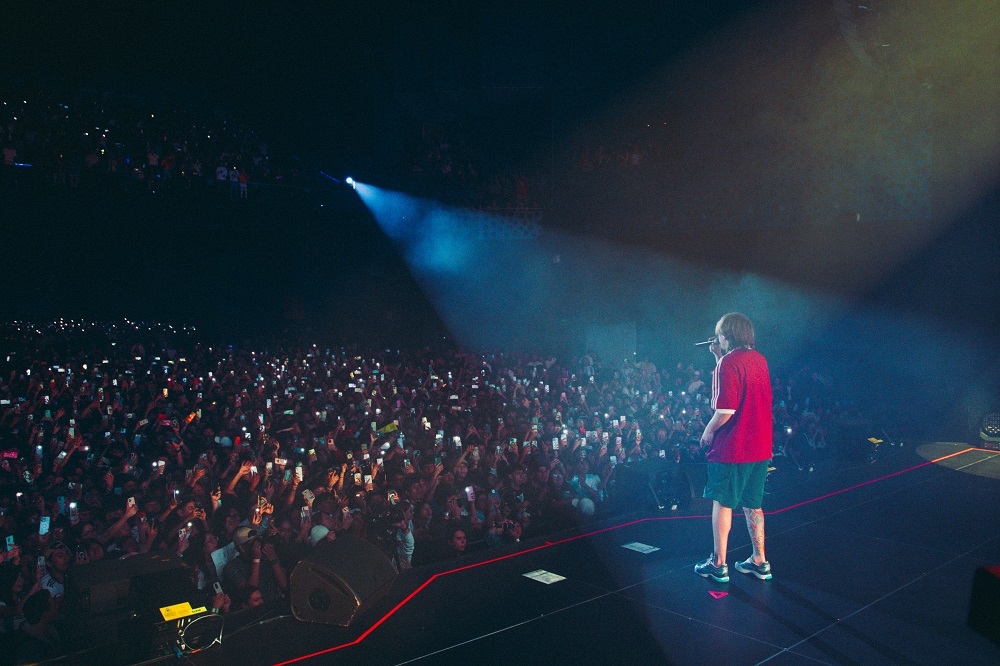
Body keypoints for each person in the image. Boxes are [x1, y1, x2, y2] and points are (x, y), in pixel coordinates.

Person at [694, 313, 773, 583]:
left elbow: (726, 409)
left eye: (719, 335)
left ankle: (718, 564)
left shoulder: (728, 362)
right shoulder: (759, 360)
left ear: (726, 335)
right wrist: (719, 359)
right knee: (754, 504)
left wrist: (707, 431)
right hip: (760, 447)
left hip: (734, 448)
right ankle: (760, 561)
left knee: (723, 503)